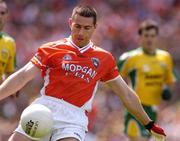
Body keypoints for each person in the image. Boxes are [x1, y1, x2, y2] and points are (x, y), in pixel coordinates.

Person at [0, 6, 165, 141]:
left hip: (73, 118)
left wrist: (148, 124)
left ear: (95, 27)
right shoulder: (51, 48)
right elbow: (23, 76)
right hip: (44, 108)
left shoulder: (104, 59)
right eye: (77, 26)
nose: (81, 33)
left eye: (86, 28)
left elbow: (126, 94)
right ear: (70, 23)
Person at [117, 19, 176, 141]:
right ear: (140, 37)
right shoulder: (129, 58)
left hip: (154, 111)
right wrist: (124, 98)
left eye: (153, 36)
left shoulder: (165, 58)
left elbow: (170, 81)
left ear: (157, 37)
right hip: (135, 110)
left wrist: (168, 92)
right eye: (146, 35)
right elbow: (113, 80)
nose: (150, 39)